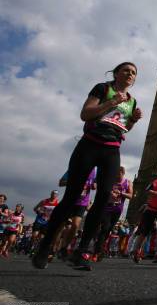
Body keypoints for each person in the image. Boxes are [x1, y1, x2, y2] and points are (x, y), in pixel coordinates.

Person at [32, 62, 142, 270]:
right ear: (116, 73)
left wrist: (133, 121)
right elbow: (86, 114)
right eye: (126, 70)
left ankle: (81, 251)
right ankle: (45, 247)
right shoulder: (102, 88)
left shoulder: (132, 101)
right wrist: (111, 102)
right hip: (90, 145)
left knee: (103, 198)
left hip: (112, 150)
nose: (130, 74)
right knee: (71, 197)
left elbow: (122, 127)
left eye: (134, 72)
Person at [56, 168, 97, 261]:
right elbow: (61, 183)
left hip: (82, 203)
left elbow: (95, 186)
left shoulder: (95, 172)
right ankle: (52, 248)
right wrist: (74, 183)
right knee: (62, 227)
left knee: (75, 226)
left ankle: (64, 248)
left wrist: (94, 185)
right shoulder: (75, 167)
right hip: (69, 201)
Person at [93, 166, 132, 262]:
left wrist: (121, 193)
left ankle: (100, 247)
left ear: (122, 173)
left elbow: (130, 195)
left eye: (118, 174)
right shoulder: (110, 180)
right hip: (106, 208)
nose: (116, 176)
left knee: (108, 230)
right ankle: (97, 252)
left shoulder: (128, 182)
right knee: (105, 227)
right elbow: (101, 188)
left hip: (117, 210)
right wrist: (110, 192)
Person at [31, 190, 60, 254]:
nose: (54, 195)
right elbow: (35, 208)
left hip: (47, 222)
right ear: (51, 194)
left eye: (55, 194)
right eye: (53, 193)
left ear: (57, 196)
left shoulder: (57, 204)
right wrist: (39, 212)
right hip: (39, 220)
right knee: (34, 235)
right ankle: (32, 246)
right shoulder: (44, 201)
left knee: (41, 237)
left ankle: (36, 248)